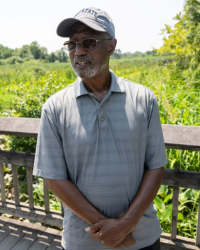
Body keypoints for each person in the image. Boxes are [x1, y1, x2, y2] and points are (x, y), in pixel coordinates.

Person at [33, 7, 168, 250]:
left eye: (89, 42)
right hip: (84, 241)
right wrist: (113, 230)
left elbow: (155, 166)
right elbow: (54, 177)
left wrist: (127, 224)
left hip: (142, 237)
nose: (79, 51)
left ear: (111, 46)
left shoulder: (143, 98)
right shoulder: (54, 107)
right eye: (72, 44)